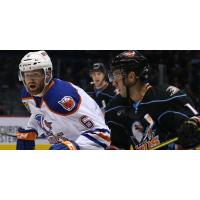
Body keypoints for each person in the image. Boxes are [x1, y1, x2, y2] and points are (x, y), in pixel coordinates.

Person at [105, 50, 200, 150]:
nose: (113, 83)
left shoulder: (167, 97)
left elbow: (195, 122)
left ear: (131, 77)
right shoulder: (114, 108)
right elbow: (118, 145)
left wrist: (193, 126)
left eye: (115, 76)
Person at [16, 51, 111, 150]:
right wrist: (31, 129)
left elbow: (103, 133)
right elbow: (39, 113)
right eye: (27, 75)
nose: (30, 80)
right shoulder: (27, 95)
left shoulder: (63, 97)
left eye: (35, 74)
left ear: (47, 74)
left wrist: (72, 146)